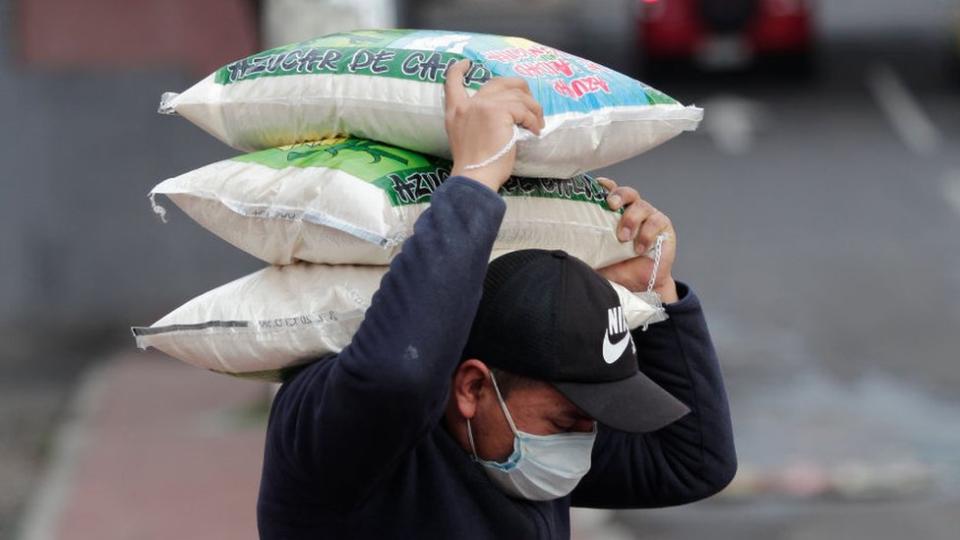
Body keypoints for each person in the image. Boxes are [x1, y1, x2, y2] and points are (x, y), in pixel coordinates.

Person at [257, 60, 736, 539]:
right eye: (565, 420)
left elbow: (694, 461)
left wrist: (657, 293)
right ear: (472, 388)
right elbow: (397, 374)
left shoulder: (517, 449)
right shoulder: (344, 441)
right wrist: (476, 179)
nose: (580, 444)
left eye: (589, 424)